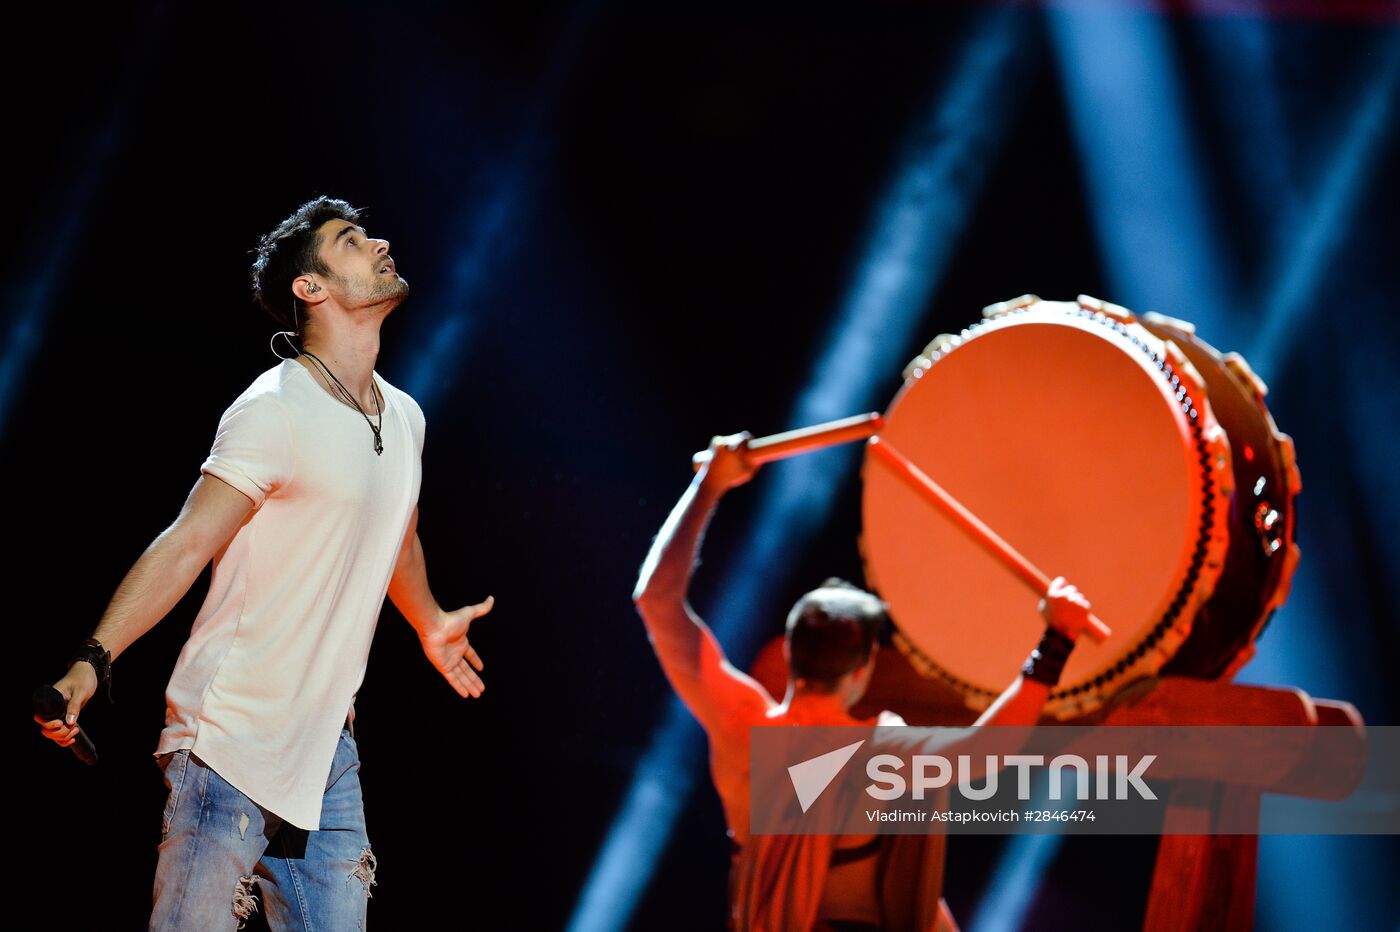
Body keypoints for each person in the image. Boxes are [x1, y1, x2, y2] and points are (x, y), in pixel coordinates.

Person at [33, 196, 495, 930]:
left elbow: (397, 537)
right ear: (310, 288)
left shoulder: (405, 416)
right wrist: (94, 658)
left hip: (326, 750)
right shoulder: (275, 408)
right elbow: (187, 541)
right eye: (350, 241)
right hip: (232, 737)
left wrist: (430, 620)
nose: (379, 242)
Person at [632, 433, 1095, 931]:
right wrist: (1057, 639)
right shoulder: (877, 755)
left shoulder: (740, 727)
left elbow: (655, 599)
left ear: (790, 653)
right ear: (864, 667)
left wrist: (708, 485)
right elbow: (989, 748)